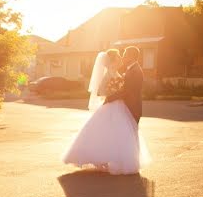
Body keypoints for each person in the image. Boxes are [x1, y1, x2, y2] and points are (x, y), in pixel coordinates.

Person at [62, 46, 149, 175]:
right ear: (112, 60)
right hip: (115, 105)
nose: (122, 58)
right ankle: (108, 159)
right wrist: (111, 94)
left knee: (119, 134)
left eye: (124, 54)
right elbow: (100, 91)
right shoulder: (112, 73)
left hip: (123, 105)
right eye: (120, 56)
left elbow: (127, 91)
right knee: (110, 133)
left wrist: (113, 94)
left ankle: (115, 159)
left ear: (130, 56)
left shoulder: (131, 71)